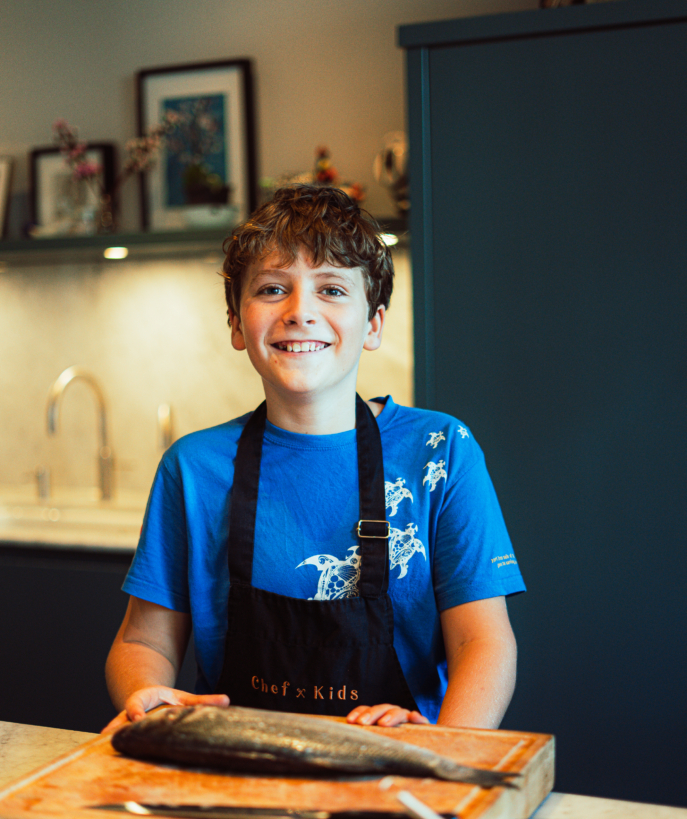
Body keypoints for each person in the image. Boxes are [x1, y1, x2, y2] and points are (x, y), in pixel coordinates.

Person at [103, 185, 525, 734]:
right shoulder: (192, 468)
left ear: (373, 324)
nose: (300, 312)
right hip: (234, 763)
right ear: (237, 324)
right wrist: (146, 696)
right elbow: (142, 641)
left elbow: (483, 643)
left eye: (331, 289)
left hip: (400, 766)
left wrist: (447, 750)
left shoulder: (440, 451)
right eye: (272, 289)